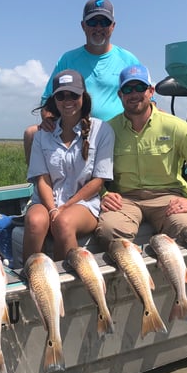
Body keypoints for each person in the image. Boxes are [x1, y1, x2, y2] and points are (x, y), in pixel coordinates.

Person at [96, 64, 187, 246]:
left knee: (185, 229)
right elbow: (88, 169)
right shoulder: (108, 130)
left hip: (168, 198)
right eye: (127, 88)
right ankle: (134, 274)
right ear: (120, 94)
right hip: (125, 199)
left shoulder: (174, 126)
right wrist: (103, 194)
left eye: (140, 87)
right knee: (108, 231)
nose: (134, 94)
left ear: (151, 91)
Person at [23, 0, 139, 163]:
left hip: (118, 134)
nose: (98, 27)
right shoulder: (67, 59)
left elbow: (149, 100)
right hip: (77, 133)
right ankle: (39, 183)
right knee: (31, 134)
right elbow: (47, 101)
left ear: (113, 26)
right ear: (83, 26)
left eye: (104, 22)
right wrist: (48, 119)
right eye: (92, 22)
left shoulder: (129, 59)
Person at [23, 69, 115, 262]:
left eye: (73, 95)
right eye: (61, 96)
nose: (67, 101)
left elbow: (98, 181)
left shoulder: (102, 130)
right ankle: (29, 276)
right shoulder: (42, 134)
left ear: (83, 97)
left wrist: (65, 208)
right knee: (34, 221)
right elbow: (43, 178)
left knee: (63, 223)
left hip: (83, 204)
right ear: (54, 100)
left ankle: (66, 285)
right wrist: (52, 209)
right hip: (46, 201)